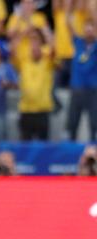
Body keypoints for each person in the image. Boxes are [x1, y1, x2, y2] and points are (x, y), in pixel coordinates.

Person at [15, 28, 56, 141]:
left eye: (37, 46)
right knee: (25, 145)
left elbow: (54, 50)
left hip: (42, 110)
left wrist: (47, 33)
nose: (35, 48)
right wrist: (23, 33)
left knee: (43, 146)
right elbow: (13, 50)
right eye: (32, 46)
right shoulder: (24, 62)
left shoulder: (47, 63)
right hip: (26, 110)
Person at [65, 9, 97, 141]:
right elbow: (69, 27)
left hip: (93, 90)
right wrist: (69, 14)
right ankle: (70, 152)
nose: (88, 31)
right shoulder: (78, 43)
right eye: (86, 29)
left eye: (91, 29)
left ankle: (94, 151)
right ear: (83, 30)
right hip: (77, 88)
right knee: (72, 122)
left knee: (94, 123)